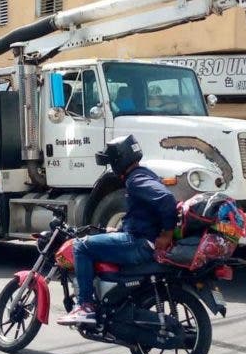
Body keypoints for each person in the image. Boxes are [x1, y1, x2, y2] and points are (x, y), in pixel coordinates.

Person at [56, 135, 177, 326]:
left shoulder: (135, 180)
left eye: (112, 161)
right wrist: (118, 230)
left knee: (81, 246)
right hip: (140, 238)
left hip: (139, 243)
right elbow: (142, 214)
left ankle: (85, 306)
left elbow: (167, 199)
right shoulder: (145, 174)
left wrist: (167, 234)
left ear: (119, 160)